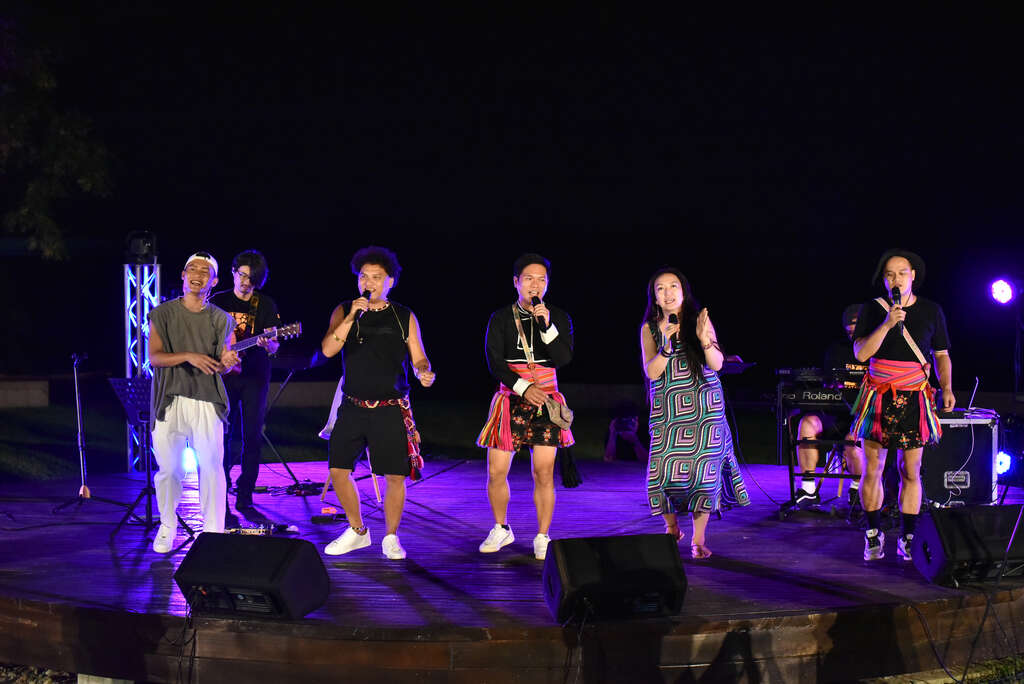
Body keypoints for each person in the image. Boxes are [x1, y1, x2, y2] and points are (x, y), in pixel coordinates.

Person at [320, 246, 435, 560]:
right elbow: (328, 350)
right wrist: (351, 317)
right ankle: (357, 531)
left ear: (390, 281)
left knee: (394, 476)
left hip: (390, 408)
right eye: (363, 277)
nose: (368, 282)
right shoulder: (345, 310)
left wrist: (423, 372)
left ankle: (391, 537)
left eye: (376, 277)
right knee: (338, 470)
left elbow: (419, 356)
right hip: (352, 406)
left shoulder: (403, 315)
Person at [851, 248, 954, 562]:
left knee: (910, 469)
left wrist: (947, 388)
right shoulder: (873, 309)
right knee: (873, 467)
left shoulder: (932, 310)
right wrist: (886, 324)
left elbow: (941, 355)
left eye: (901, 273)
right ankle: (873, 532)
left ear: (913, 276)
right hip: (879, 395)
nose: (896, 279)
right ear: (884, 280)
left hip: (914, 396)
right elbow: (860, 354)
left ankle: (908, 536)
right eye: (889, 274)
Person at [640, 267, 750, 559]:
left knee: (704, 473)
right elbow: (651, 372)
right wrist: (666, 346)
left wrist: (704, 339)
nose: (668, 293)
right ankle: (671, 526)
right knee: (662, 469)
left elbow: (717, 364)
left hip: (705, 407)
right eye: (661, 288)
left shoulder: (700, 320)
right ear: (654, 297)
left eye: (673, 286)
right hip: (668, 409)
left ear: (683, 291)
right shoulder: (649, 328)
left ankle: (698, 540)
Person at [476, 253, 574, 561]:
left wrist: (547, 325)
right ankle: (501, 527)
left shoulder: (558, 316)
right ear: (516, 282)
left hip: (547, 401)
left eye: (542, 279)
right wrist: (523, 387)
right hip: (511, 398)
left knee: (543, 472)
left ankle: (543, 535)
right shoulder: (501, 318)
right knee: (496, 471)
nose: (535, 285)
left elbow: (563, 358)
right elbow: (495, 363)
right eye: (529, 278)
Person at [148, 252, 239, 553]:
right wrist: (188, 356)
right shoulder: (163, 313)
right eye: (192, 269)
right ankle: (167, 526)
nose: (197, 274)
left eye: (205, 271)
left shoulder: (222, 319)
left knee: (211, 467)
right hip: (170, 398)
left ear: (214, 281)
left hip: (207, 399)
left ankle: (213, 534)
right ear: (183, 275)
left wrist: (228, 362)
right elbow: (155, 357)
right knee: (169, 470)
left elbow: (223, 363)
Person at [211, 250, 281, 512]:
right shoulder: (217, 301)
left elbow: (274, 345)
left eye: (251, 279)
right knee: (221, 435)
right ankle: (221, 488)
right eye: (241, 275)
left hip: (254, 377)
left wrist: (268, 344)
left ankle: (245, 493)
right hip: (223, 376)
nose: (245, 282)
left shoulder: (265, 305)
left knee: (252, 435)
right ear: (233, 272)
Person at [791, 304, 865, 509]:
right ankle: (808, 490)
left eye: (856, 328)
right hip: (834, 412)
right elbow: (828, 380)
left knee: (853, 439)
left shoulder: (876, 349)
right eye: (849, 330)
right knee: (807, 424)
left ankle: (858, 488)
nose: (851, 333)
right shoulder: (836, 349)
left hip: (860, 415)